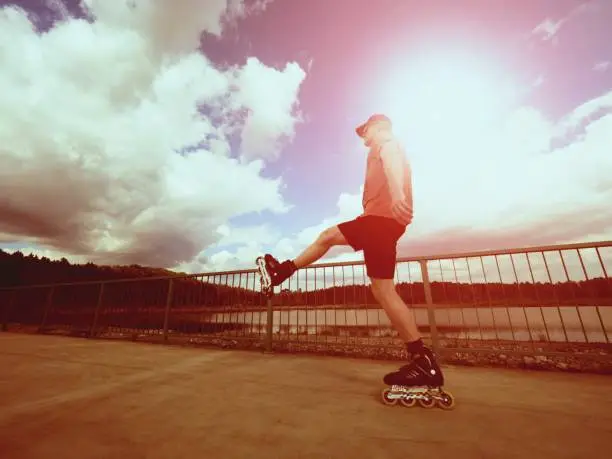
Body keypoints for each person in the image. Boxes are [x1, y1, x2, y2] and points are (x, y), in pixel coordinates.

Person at [257, 114, 444, 389]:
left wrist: (397, 195)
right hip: (385, 223)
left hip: (381, 221)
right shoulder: (380, 148)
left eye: (364, 130)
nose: (363, 137)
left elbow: (393, 162)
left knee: (328, 236)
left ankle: (280, 272)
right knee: (382, 290)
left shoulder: (386, 140)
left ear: (377, 126)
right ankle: (423, 362)